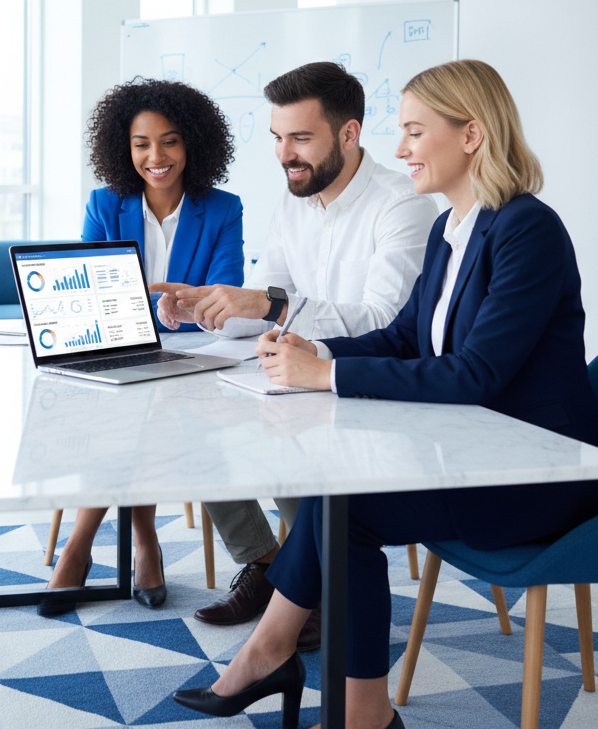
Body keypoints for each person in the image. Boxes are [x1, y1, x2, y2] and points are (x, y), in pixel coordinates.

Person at [171, 58, 598, 729]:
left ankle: (321, 686)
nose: (400, 149)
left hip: (535, 476)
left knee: (347, 510)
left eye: (415, 132)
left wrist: (327, 377)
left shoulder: (526, 230)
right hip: (472, 453)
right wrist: (317, 353)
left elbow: (476, 373)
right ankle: (284, 660)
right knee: (335, 492)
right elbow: (404, 336)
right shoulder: (452, 229)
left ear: (472, 135)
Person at [152, 61, 437, 646]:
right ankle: (267, 565)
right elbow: (267, 301)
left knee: (278, 423)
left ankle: (313, 583)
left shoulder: (402, 205)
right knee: (194, 413)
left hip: (364, 384)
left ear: (349, 133)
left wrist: (269, 305)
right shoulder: (293, 204)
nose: (285, 155)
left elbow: (385, 323)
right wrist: (210, 304)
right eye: (278, 138)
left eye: (301, 138)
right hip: (299, 377)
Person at [39, 77, 245, 617]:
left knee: (141, 407)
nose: (156, 157)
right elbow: (88, 288)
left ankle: (80, 549)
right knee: (126, 407)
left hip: (190, 357)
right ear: (123, 148)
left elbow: (222, 296)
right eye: (142, 144)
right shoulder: (105, 204)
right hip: (115, 349)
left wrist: (179, 307)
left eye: (170, 141)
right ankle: (143, 541)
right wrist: (164, 305)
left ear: (192, 143)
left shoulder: (223, 209)